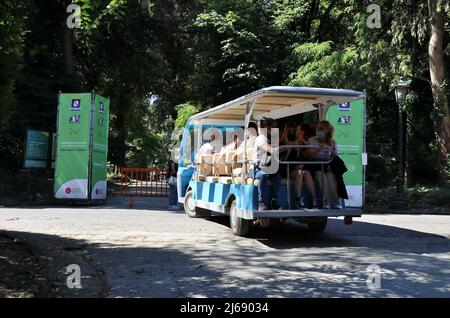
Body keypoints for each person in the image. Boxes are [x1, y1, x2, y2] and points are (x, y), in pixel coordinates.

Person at [305, 120, 340, 209]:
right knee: (322, 176)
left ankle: (337, 202)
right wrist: (319, 149)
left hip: (327, 167)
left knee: (331, 177)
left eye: (321, 128)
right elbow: (309, 157)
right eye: (317, 128)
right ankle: (326, 201)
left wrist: (334, 154)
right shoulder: (312, 140)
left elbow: (336, 158)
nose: (318, 130)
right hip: (315, 167)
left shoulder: (332, 142)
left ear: (327, 130)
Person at [253, 117, 282, 211]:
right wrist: (285, 148)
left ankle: (274, 201)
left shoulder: (272, 138)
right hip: (257, 168)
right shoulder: (261, 138)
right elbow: (271, 150)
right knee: (263, 175)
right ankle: (261, 202)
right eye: (273, 127)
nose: (275, 130)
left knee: (277, 177)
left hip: (268, 166)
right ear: (268, 128)